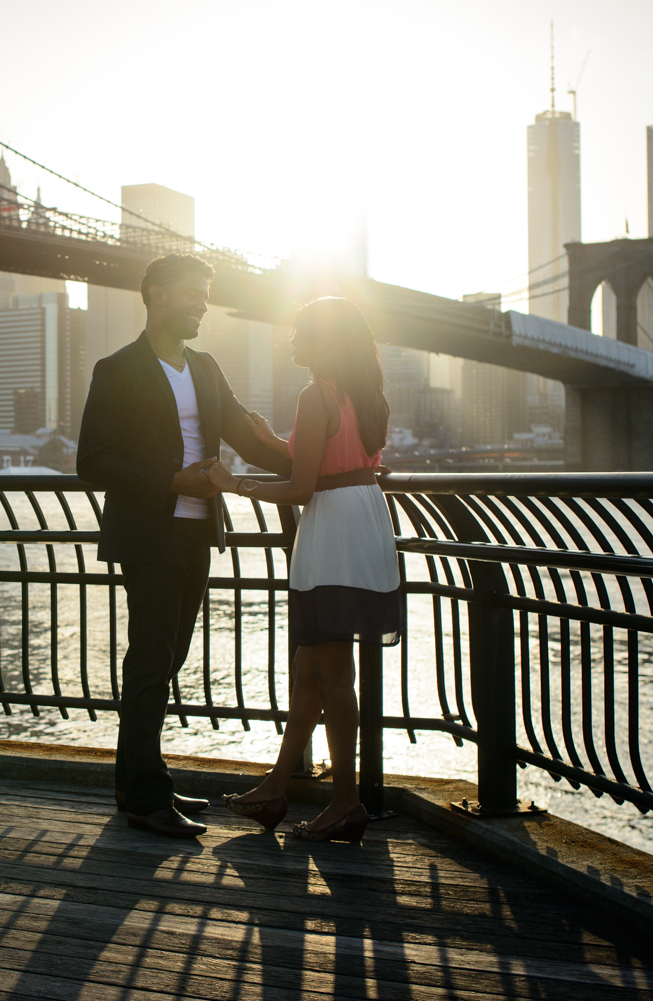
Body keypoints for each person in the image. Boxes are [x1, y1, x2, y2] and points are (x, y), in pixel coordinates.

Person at [76, 254, 293, 839]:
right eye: (192, 294)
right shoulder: (117, 368)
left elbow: (249, 440)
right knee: (151, 660)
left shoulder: (205, 366)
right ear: (155, 295)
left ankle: (140, 785)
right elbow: (91, 461)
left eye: (206, 295)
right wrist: (173, 482)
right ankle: (146, 797)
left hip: (200, 530)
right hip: (151, 531)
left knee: (165, 660)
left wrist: (333, 458)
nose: (202, 304)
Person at [206, 296, 401, 843]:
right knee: (309, 669)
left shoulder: (315, 395)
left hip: (332, 532)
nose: (291, 339)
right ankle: (276, 788)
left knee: (334, 674)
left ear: (324, 340)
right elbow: (324, 462)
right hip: (364, 522)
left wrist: (232, 483)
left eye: (299, 332)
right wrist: (270, 442)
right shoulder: (363, 395)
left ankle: (345, 803)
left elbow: (301, 487)